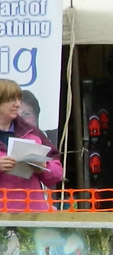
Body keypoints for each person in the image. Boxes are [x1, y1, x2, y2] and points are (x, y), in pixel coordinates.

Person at [0, 78, 63, 208]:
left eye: (18, 99)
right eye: (11, 100)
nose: (17, 104)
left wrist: (43, 167)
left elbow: (57, 173)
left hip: (31, 215)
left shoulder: (33, 132)